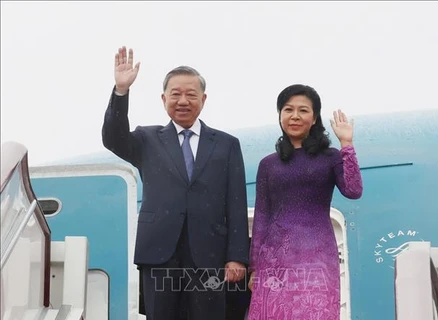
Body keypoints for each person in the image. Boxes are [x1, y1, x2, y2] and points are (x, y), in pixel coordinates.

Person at [102, 46, 250, 320]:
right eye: (176, 94)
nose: (183, 100)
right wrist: (121, 91)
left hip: (210, 256)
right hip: (159, 253)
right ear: (163, 99)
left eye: (191, 94)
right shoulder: (147, 139)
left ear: (203, 99)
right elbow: (113, 137)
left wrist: (238, 256)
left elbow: (237, 203)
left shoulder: (227, 145)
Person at [247, 84, 363, 319]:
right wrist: (255, 267)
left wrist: (347, 145)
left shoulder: (330, 157)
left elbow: (353, 190)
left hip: (317, 256)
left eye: (303, 110)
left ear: (315, 118)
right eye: (288, 110)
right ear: (280, 116)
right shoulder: (268, 164)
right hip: (275, 258)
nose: (295, 116)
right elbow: (261, 216)